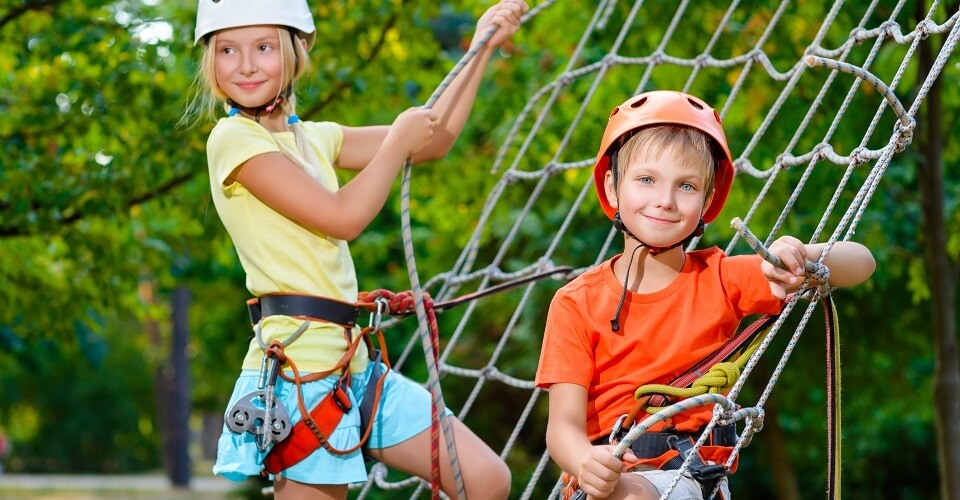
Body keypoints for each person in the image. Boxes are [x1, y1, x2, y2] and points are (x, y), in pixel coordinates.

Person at [187, 1, 527, 498]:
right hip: (303, 376)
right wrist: (396, 143)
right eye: (227, 50)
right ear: (210, 61)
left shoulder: (314, 139)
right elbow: (343, 216)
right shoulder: (233, 140)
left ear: (298, 47)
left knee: (487, 480)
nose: (245, 64)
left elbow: (435, 139)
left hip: (356, 365)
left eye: (263, 47)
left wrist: (480, 50)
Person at [535, 90, 876, 500]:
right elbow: (563, 427)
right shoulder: (576, 302)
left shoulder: (720, 278)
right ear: (612, 188)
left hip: (685, 479)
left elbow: (861, 262)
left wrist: (800, 254)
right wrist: (584, 461)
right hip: (601, 479)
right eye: (646, 179)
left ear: (708, 200)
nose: (664, 200)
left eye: (686, 185)